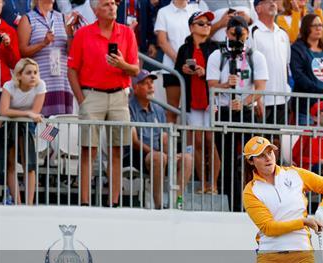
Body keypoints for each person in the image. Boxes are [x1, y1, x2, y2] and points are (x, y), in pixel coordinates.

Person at [68, 0, 139, 207]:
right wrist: (82, 99)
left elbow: (135, 69)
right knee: (88, 149)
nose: (112, 8)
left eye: (114, 4)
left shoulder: (127, 33)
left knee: (117, 149)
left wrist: (121, 64)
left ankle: (114, 201)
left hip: (119, 95)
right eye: (107, 4)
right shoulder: (83, 34)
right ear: (96, 10)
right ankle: (84, 201)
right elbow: (72, 69)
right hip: (92, 94)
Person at [207, 15, 268, 210]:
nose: (237, 38)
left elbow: (260, 87)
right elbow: (211, 85)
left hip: (247, 112)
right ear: (226, 33)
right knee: (226, 161)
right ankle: (232, 204)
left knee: (253, 159)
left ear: (247, 34)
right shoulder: (217, 55)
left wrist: (243, 102)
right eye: (233, 33)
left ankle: (254, 202)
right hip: (223, 112)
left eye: (241, 34)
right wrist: (226, 85)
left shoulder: (255, 56)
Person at [126, 70, 193, 208]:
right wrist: (161, 154)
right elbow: (135, 142)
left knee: (187, 159)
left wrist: (172, 155)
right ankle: (158, 205)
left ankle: (176, 203)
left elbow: (164, 139)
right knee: (158, 157)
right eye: (146, 83)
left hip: (158, 155)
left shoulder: (158, 109)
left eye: (152, 83)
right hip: (135, 155)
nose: (151, 86)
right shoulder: (128, 108)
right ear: (136, 88)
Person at [175, 10, 219, 194]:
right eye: (201, 23)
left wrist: (204, 72)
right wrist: (184, 69)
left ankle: (214, 184)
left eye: (208, 24)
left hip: (210, 100)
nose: (206, 26)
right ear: (192, 27)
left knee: (211, 141)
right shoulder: (184, 49)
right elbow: (176, 71)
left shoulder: (215, 47)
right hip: (192, 100)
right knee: (199, 142)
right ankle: (203, 183)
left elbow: (219, 72)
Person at [0, 58, 45, 205]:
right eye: (29, 72)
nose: (33, 76)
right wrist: (27, 114)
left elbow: (35, 112)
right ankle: (17, 203)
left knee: (29, 163)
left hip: (29, 125)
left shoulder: (41, 85)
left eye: (35, 72)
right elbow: (3, 110)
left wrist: (22, 114)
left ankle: (29, 204)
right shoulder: (9, 86)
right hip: (10, 125)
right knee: (10, 164)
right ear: (19, 75)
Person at [17, 0, 76, 116]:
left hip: (61, 83)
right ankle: (43, 135)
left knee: (60, 125)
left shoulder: (63, 18)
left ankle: (51, 135)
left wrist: (70, 33)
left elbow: (71, 52)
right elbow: (22, 52)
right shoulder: (28, 19)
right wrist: (43, 43)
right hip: (40, 82)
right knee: (43, 124)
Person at [154, 0, 206, 122]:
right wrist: (180, 60)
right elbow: (162, 41)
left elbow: (203, 36)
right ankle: (171, 141)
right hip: (171, 68)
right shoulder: (163, 12)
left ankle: (189, 141)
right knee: (172, 110)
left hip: (195, 66)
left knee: (193, 110)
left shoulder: (196, 10)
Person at [290, 13, 323, 126]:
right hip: (307, 108)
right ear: (306, 28)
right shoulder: (297, 49)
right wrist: (321, 91)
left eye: (320, 25)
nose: (318, 28)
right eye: (314, 25)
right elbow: (299, 76)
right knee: (307, 142)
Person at [251, 0, 291, 126]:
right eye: (268, 1)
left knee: (276, 143)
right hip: (262, 100)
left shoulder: (283, 33)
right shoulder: (252, 32)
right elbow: (249, 67)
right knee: (259, 143)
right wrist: (256, 100)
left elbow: (286, 64)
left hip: (281, 99)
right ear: (258, 8)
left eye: (274, 1)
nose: (273, 3)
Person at [0, 0, 20, 114]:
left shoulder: (10, 31)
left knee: (0, 129)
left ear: (2, 5)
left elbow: (15, 64)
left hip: (2, 87)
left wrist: (8, 46)